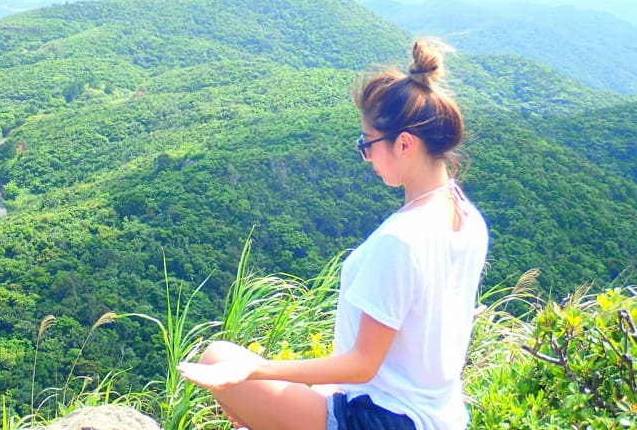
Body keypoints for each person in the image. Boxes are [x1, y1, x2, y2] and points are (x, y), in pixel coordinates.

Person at [178, 39, 489, 430]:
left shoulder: (402, 240)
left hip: (385, 419)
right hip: (438, 415)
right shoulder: (468, 218)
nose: (366, 156)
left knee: (217, 359)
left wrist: (252, 370)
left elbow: (362, 365)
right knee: (234, 372)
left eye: (367, 144)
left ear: (405, 144)